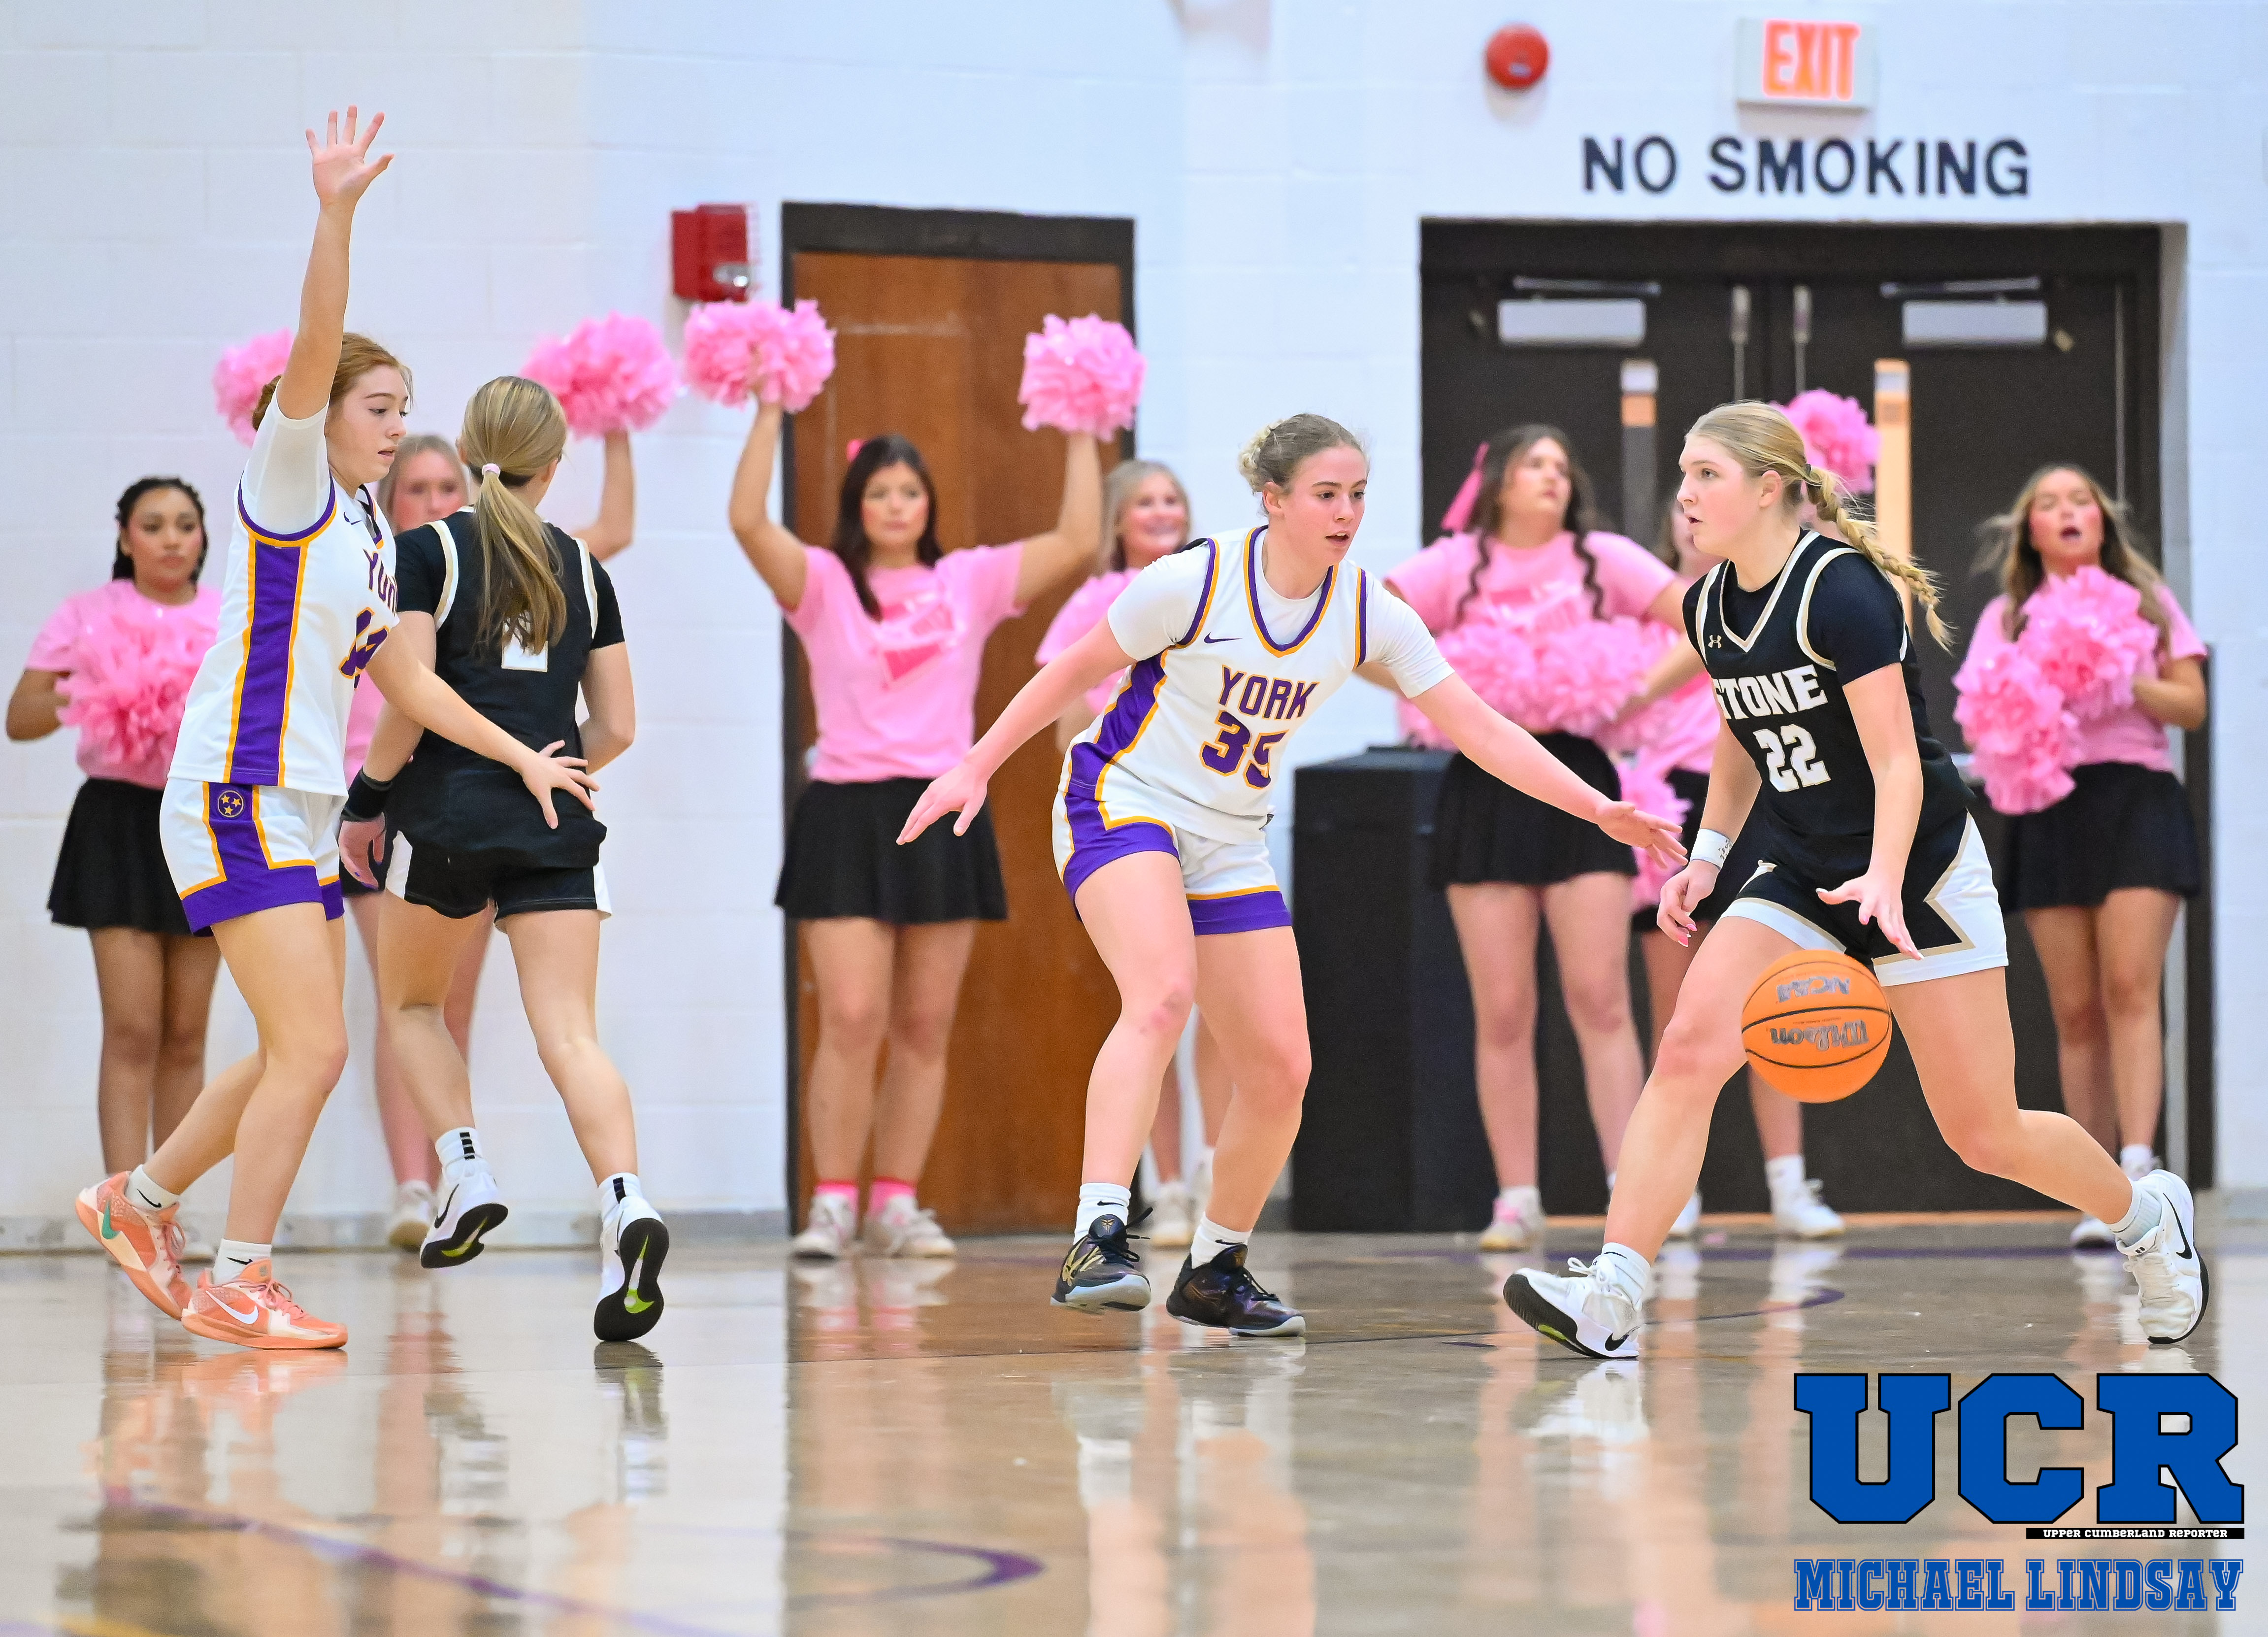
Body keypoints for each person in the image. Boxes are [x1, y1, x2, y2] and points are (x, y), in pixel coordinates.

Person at [899, 414, 1683, 1335]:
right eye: (1325, 494)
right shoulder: (1194, 580)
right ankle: (1098, 1234)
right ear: (1273, 500)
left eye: (1357, 495)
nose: (1346, 513)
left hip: (1229, 834)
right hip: (1123, 799)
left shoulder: (1366, 611)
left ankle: (1214, 1269)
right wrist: (975, 766)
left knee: (1280, 1069)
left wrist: (1596, 808)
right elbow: (1069, 670)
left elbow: (1479, 728)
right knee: (1161, 994)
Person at [1504, 401, 2205, 1360]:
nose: (1684, 493)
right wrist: (1707, 859)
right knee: (1688, 1050)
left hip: (1915, 869)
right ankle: (1614, 1291)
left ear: (1769, 488)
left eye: (1706, 474)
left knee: (1984, 1132)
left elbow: (1897, 760)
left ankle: (2145, 1219)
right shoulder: (1708, 604)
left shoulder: (1840, 590)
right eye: (1682, 473)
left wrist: (1881, 875)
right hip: (1799, 865)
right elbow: (1740, 738)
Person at [74, 106, 595, 1350]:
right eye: (378, 402)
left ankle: (137, 1200)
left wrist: (520, 755)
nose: (397, 421)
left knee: (291, 1049)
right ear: (319, 412)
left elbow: (409, 684)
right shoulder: (291, 480)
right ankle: (239, 1274)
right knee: (311, 1050)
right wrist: (335, 214)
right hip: (235, 788)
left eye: (406, 405)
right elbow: (317, 341)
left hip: (298, 802)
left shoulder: (368, 536)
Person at [729, 388, 1102, 1262]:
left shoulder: (967, 579)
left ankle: (895, 1203)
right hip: (845, 812)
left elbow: (1078, 540)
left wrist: (1083, 427)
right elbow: (747, 522)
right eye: (879, 493)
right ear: (856, 505)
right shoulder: (824, 583)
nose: (897, 506)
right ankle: (832, 1205)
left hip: (942, 809)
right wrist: (768, 410)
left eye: (910, 491)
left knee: (925, 1023)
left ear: (928, 503)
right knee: (852, 1015)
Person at [340, 375, 659, 1341]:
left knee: (411, 1007)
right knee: (572, 1036)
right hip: (555, 818)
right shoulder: (584, 568)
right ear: (554, 464)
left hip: (445, 817)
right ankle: (626, 1204)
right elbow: (618, 726)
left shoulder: (425, 551)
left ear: (470, 451)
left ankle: (465, 1172)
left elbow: (409, 698)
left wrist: (369, 800)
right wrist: (547, 768)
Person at [1385, 428, 1693, 1252]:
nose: (1553, 476)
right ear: (1497, 480)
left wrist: (1631, 694)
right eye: (1535, 464)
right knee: (1503, 1009)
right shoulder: (1455, 563)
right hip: (1484, 786)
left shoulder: (1603, 557)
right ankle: (1516, 1198)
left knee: (1601, 998)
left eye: (1562, 465)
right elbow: (1357, 628)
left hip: (1584, 786)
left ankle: (1633, 1188)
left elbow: (1702, 625)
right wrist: (1437, 694)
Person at [1958, 464, 2207, 1247]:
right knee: (2073, 1009)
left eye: (2080, 501)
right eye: (2048, 503)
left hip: (2135, 799)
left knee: (2130, 986)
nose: (2067, 511)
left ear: (2101, 520)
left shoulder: (2145, 599)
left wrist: (2123, 676)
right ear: (2029, 530)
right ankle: (2097, 1190)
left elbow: (2191, 705)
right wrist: (2028, 689)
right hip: (2048, 806)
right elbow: (1975, 721)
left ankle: (2139, 1168)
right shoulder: (2007, 616)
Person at [1623, 501, 1844, 1238]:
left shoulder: (1754, 603)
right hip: (1666, 806)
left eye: (1707, 494)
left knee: (1772, 1003)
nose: (1692, 514)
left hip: (1754, 798)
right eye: (1682, 504)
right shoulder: (1645, 615)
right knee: (1677, 1011)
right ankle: (1673, 1190)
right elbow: (1615, 701)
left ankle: (1789, 1183)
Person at [1035, 457, 1230, 1249]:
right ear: (1117, 519)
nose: (1160, 511)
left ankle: (1216, 1171)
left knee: (1220, 1008)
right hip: (1131, 821)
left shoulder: (1213, 591)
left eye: (1171, 499)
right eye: (1144, 500)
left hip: (1211, 815)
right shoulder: (1094, 606)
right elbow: (1061, 721)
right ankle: (1167, 1187)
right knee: (1156, 1005)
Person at [8, 479, 224, 1175]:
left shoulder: (229, 616)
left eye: (184, 525)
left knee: (187, 1033)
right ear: (125, 538)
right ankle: (121, 1209)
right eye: (152, 525)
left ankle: (169, 1203)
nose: (170, 539)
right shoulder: (86, 615)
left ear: (203, 537)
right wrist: (96, 688)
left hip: (204, 823)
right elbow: (20, 721)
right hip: (116, 826)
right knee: (133, 1029)